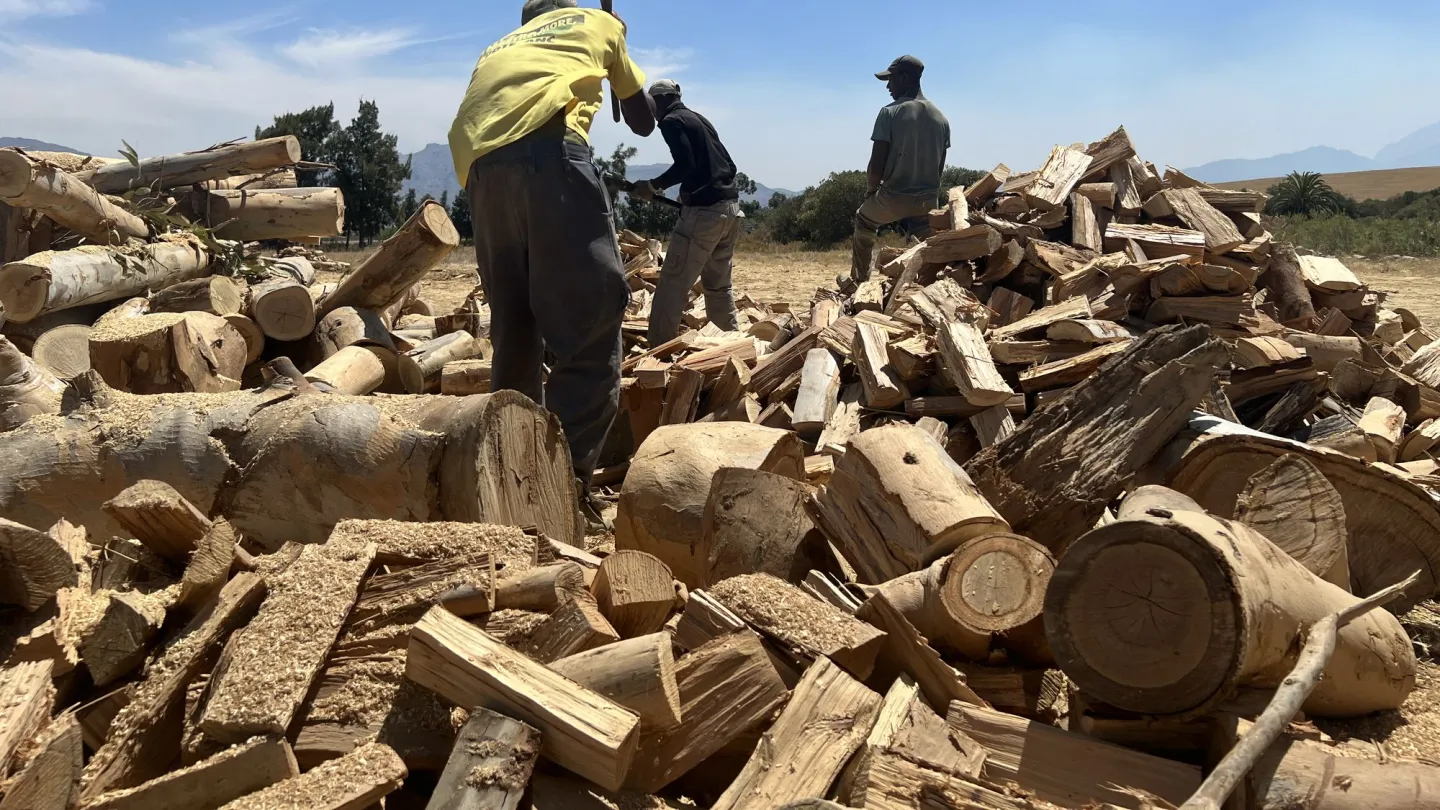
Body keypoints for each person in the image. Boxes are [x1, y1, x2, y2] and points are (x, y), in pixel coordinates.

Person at [449, 0, 656, 522]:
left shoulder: (498, 47)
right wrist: (619, 46)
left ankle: (508, 478)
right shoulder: (600, 22)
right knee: (591, 321)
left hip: (480, 169)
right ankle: (559, 487)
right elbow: (642, 122)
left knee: (516, 327)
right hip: (551, 155)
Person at [632, 80, 743, 346]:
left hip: (704, 215)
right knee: (718, 287)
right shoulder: (699, 119)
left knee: (671, 287)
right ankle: (732, 347)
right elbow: (730, 164)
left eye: (651, 105)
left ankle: (658, 354)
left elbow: (685, 165)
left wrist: (652, 186)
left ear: (658, 101)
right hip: (730, 210)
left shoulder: (671, 121)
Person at [851, 54, 951, 283]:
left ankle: (859, 283)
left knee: (863, 219)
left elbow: (876, 164)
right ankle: (921, 285)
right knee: (920, 246)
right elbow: (939, 167)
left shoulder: (889, 112)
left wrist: (871, 192)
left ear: (905, 78)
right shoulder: (941, 119)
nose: (888, 86)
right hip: (927, 201)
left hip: (893, 197)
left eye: (891, 79)